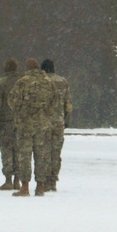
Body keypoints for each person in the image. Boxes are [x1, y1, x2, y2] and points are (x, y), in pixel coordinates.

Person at [8, 58, 59, 197]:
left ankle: (24, 186)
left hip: (25, 124)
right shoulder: (49, 82)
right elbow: (55, 102)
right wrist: (46, 114)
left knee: (24, 155)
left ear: (28, 68)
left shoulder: (23, 82)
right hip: (43, 125)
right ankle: (41, 186)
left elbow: (12, 101)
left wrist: (20, 112)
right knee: (41, 155)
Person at [41, 59, 73, 191]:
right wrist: (66, 120)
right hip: (58, 122)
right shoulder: (63, 82)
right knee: (56, 152)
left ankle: (43, 180)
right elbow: (68, 104)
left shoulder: (41, 82)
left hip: (43, 122)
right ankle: (53, 180)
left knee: (43, 152)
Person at [0, 58, 22, 190]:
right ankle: (18, 180)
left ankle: (8, 179)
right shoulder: (23, 83)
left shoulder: (0, 84)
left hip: (5, 122)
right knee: (19, 151)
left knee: (7, 151)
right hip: (20, 122)